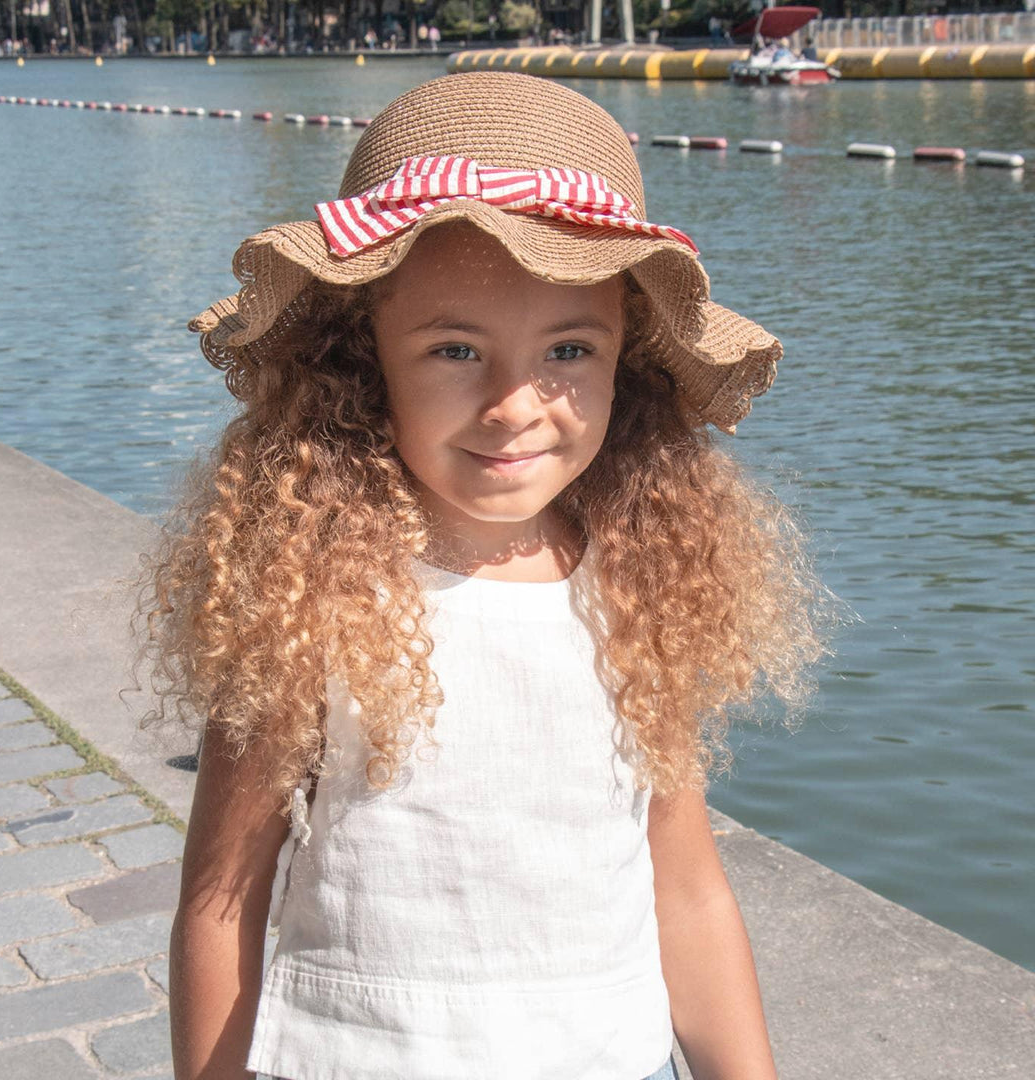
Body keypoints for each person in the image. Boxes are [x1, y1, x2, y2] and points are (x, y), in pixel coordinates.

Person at [143, 71, 829, 1080]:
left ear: (624, 362)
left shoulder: (637, 584)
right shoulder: (312, 588)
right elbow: (222, 898)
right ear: (363, 357)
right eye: (456, 348)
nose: (516, 404)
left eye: (567, 349)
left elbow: (685, 891)